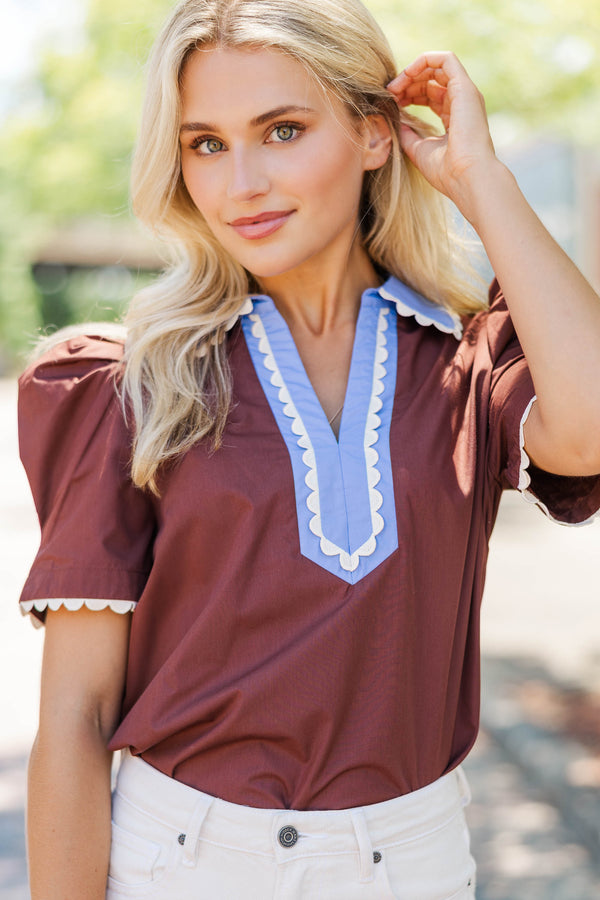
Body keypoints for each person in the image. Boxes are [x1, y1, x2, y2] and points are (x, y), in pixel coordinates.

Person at [18, 0, 600, 897]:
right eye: (205, 143)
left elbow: (589, 427)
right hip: (182, 865)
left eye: (282, 131)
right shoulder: (132, 383)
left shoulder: (468, 365)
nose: (241, 182)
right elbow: (74, 714)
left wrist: (480, 179)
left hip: (414, 865)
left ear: (374, 135)